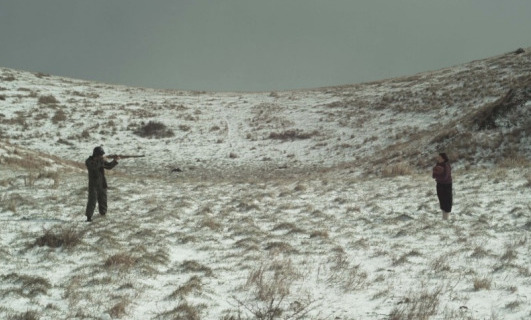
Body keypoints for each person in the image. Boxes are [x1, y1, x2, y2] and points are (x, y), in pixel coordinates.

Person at [85, 146, 120, 222]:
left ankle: (103, 215)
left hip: (102, 183)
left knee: (103, 200)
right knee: (92, 201)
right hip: (93, 184)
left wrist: (115, 161)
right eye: (100, 155)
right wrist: (102, 160)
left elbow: (109, 166)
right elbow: (94, 167)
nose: (101, 156)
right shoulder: (88, 161)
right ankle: (89, 217)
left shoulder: (101, 160)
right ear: (96, 155)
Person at [432, 153, 452, 220]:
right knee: (441, 200)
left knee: (447, 200)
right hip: (439, 184)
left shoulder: (446, 165)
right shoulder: (438, 165)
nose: (438, 158)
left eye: (439, 157)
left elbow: (445, 177)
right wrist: (437, 176)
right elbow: (433, 175)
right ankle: (443, 217)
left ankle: (446, 217)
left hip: (446, 185)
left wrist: (438, 176)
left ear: (443, 158)